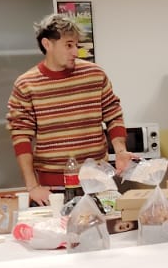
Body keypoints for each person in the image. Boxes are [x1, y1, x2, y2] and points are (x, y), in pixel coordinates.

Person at [8, 12, 131, 205]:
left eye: (77, 45)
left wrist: (121, 151)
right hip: (52, 188)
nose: (76, 52)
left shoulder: (95, 74)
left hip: (98, 180)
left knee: (105, 233)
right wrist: (32, 186)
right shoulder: (26, 84)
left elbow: (113, 115)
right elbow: (21, 136)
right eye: (68, 45)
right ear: (47, 44)